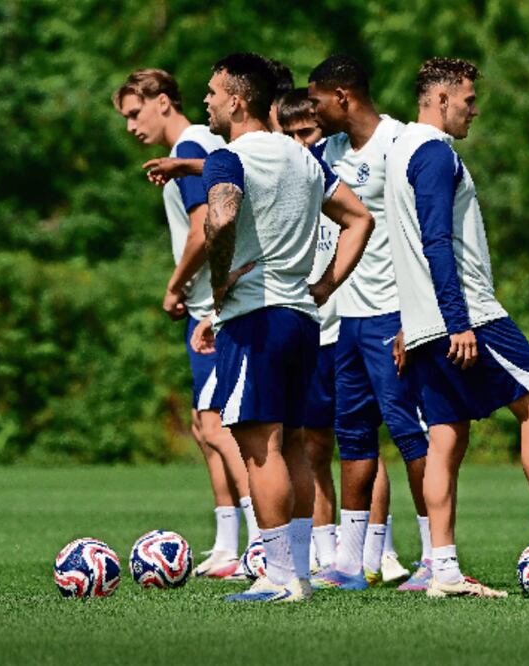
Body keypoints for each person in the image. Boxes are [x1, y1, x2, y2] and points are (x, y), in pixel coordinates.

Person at [190, 53, 374, 603]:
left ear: (237, 100)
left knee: (259, 448)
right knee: (293, 444)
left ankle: (277, 575)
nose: (206, 102)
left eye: (212, 93)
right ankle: (298, 575)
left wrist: (218, 283)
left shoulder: (228, 158)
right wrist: (323, 286)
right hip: (301, 320)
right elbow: (360, 218)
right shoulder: (303, 158)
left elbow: (221, 216)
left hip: (256, 319)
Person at [384, 58, 529, 599]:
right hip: (469, 317)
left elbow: (402, 245)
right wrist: (457, 321)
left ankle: (442, 570)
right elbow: (435, 241)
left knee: (446, 436)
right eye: (467, 100)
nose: (474, 110)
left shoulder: (398, 151)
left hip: (424, 325)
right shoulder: (434, 152)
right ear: (441, 99)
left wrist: (412, 321)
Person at [112, 69, 258, 578]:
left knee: (219, 425)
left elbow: (204, 228)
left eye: (135, 113)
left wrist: (175, 285)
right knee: (205, 425)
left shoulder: (193, 144)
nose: (131, 126)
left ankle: (261, 541)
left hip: (214, 307)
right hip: (205, 307)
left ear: (163, 102)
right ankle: (227, 545)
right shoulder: (190, 148)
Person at [306, 55, 429, 592]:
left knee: (410, 436)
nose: (312, 111)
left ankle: (436, 557)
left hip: (394, 315)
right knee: (353, 438)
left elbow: (426, 233)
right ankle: (350, 565)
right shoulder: (328, 151)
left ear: (342, 96)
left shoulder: (398, 144)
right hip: (348, 322)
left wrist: (418, 317)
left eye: (316, 101)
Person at [275, 89, 340, 573]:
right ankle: (323, 548)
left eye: (308, 133)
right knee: (310, 446)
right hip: (308, 328)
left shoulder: (337, 182)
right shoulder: (287, 184)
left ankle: (376, 551)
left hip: (351, 324)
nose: (302, 143)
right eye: (291, 135)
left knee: (360, 442)